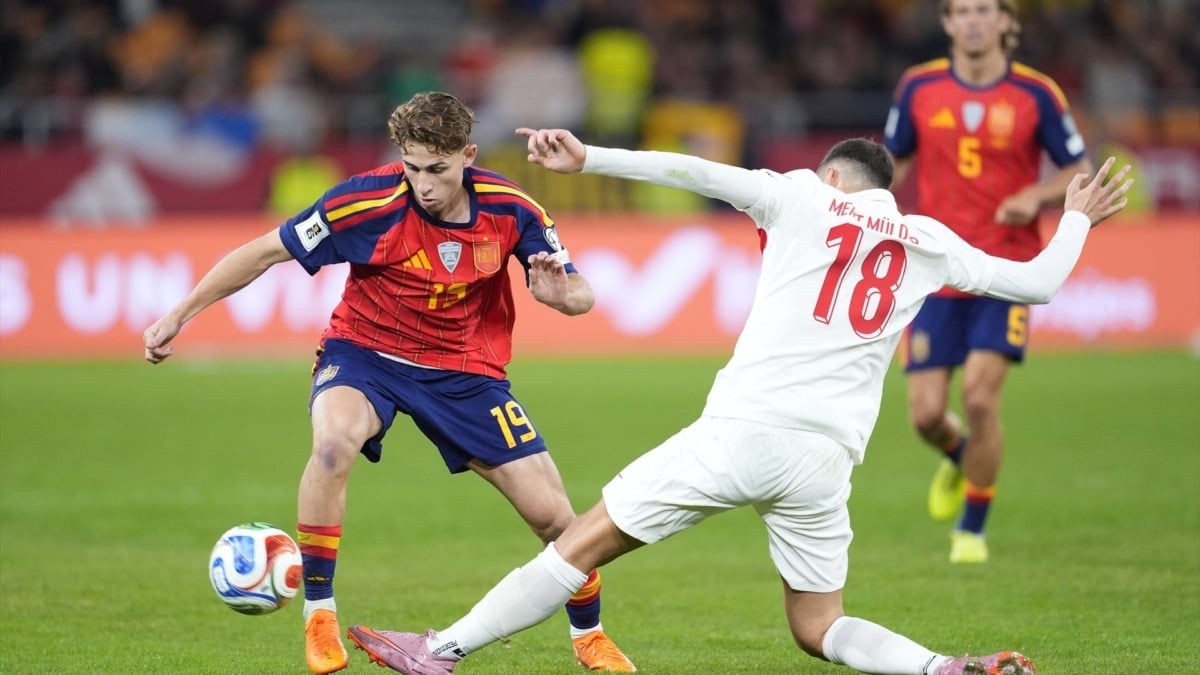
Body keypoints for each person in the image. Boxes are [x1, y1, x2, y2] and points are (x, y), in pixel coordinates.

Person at [342, 130, 1130, 674]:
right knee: (817, 626)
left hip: (743, 431)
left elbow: (692, 173)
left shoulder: (802, 198)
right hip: (825, 461)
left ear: (831, 178)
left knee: (578, 542)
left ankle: (440, 649)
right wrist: (1075, 220)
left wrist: (588, 159)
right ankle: (938, 665)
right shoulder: (928, 241)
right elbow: (1041, 283)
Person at [142, 93, 636, 675]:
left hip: (465, 371)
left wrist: (563, 298)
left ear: (467, 156)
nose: (422, 185)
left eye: (437, 169)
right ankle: (320, 617)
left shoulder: (512, 209)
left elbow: (580, 292)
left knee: (555, 518)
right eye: (411, 167)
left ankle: (590, 637)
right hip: (366, 352)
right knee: (332, 444)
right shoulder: (365, 202)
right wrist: (179, 313)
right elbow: (264, 253)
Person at [883, 0, 1092, 563]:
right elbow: (893, 163)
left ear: (1005, 22)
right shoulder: (918, 88)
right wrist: (860, 200)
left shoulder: (1037, 94)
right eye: (962, 11)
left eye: (984, 10)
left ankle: (970, 531)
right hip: (934, 266)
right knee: (926, 414)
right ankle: (959, 458)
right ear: (948, 24)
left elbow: (1079, 169)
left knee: (978, 396)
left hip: (1007, 270)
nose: (973, 20)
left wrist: (1037, 195)